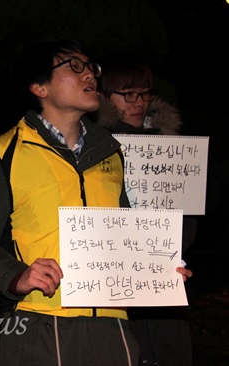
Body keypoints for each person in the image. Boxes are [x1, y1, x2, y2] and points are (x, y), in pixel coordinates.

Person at [0, 39, 193, 365]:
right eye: (74, 67)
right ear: (39, 87)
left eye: (91, 67)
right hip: (39, 324)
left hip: (113, 326)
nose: (90, 75)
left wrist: (158, 269)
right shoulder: (5, 151)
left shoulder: (110, 150)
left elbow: (123, 234)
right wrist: (16, 276)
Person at [94, 51, 196, 366]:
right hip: (112, 282)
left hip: (165, 277)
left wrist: (171, 245)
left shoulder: (171, 148)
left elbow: (188, 222)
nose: (138, 101)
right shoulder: (92, 148)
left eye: (144, 93)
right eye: (128, 94)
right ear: (105, 97)